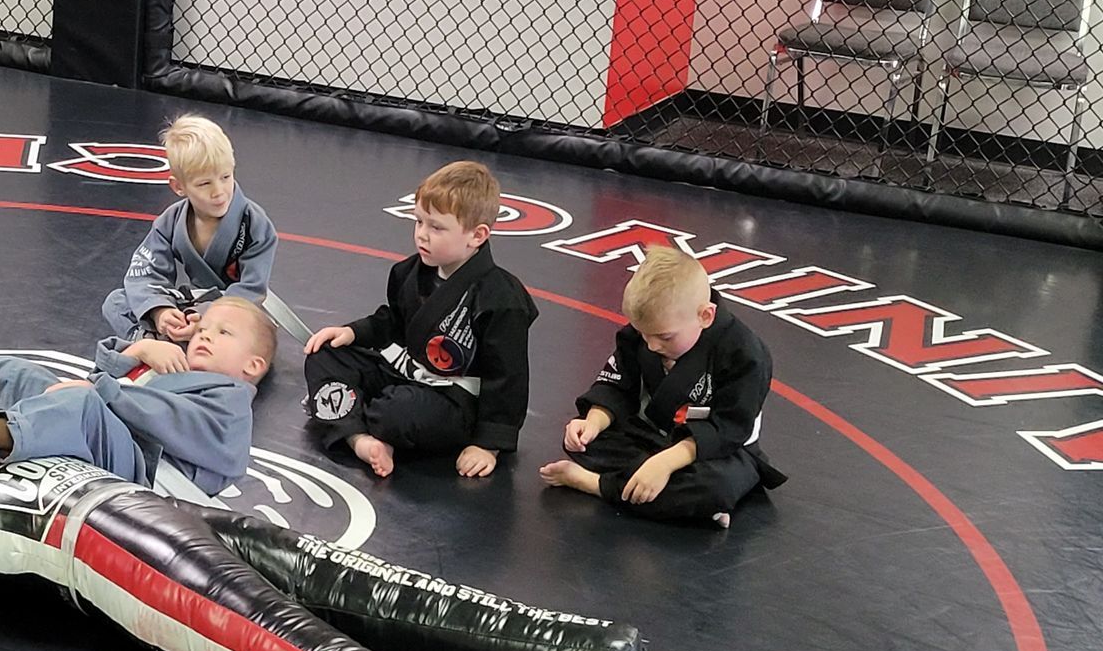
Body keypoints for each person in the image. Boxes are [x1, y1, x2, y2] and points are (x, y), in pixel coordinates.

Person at [0, 293, 275, 495]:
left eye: (224, 333)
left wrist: (105, 391)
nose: (205, 335)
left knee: (82, 403)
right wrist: (137, 350)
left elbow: (179, 424)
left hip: (147, 477)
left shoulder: (232, 400)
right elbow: (101, 364)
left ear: (252, 366)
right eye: (203, 327)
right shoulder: (167, 366)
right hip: (105, 431)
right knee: (19, 373)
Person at [302, 160, 536, 480]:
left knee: (394, 412)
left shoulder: (500, 298)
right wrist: (352, 332)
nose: (422, 235)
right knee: (324, 354)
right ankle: (361, 440)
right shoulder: (409, 272)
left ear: (477, 235)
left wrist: (489, 444)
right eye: (419, 222)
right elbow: (394, 322)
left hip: (453, 400)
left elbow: (508, 379)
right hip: (404, 373)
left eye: (436, 227)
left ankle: (345, 413)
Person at [540, 246, 787, 527]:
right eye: (644, 334)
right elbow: (618, 386)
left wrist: (665, 464)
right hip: (653, 437)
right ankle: (679, 504)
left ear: (705, 316)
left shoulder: (745, 354)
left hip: (714, 453)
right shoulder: (647, 333)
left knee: (714, 486)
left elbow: (729, 429)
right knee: (586, 443)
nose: (652, 345)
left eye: (664, 337)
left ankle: (595, 484)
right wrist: (593, 422)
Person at [101, 114, 277, 345]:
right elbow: (145, 272)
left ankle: (183, 345)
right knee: (116, 301)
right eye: (205, 184)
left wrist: (205, 317)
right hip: (192, 305)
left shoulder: (255, 225)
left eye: (226, 177)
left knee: (257, 330)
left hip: (233, 309)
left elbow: (251, 290)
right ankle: (147, 341)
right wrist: (161, 312)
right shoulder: (171, 221)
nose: (219, 191)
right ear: (178, 187)